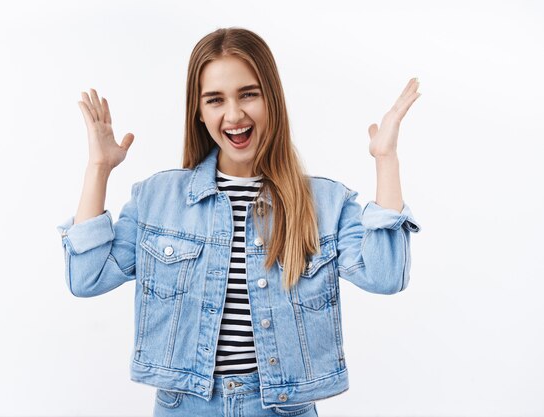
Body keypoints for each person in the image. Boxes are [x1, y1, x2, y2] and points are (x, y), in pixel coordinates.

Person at [56, 27, 421, 417]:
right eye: (215, 99)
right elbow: (86, 277)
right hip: (186, 407)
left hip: (282, 408)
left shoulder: (323, 203)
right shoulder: (158, 199)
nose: (234, 114)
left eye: (248, 93)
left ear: (272, 98)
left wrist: (386, 159)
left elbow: (385, 276)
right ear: (199, 111)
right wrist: (98, 168)